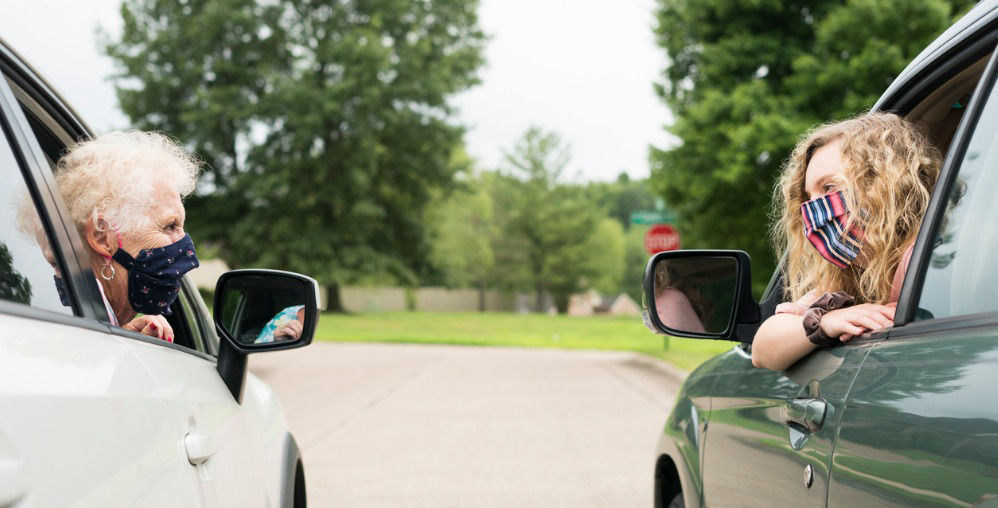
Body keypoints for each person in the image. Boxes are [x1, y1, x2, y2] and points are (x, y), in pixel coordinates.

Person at [751, 113, 942, 371]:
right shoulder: (846, 276)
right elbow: (762, 351)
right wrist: (826, 321)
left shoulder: (924, 262)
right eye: (809, 197)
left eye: (829, 188)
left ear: (885, 184)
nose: (814, 209)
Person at [53, 131, 202, 342]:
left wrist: (123, 335)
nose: (187, 248)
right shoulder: (67, 329)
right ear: (102, 237)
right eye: (169, 226)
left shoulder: (79, 321)